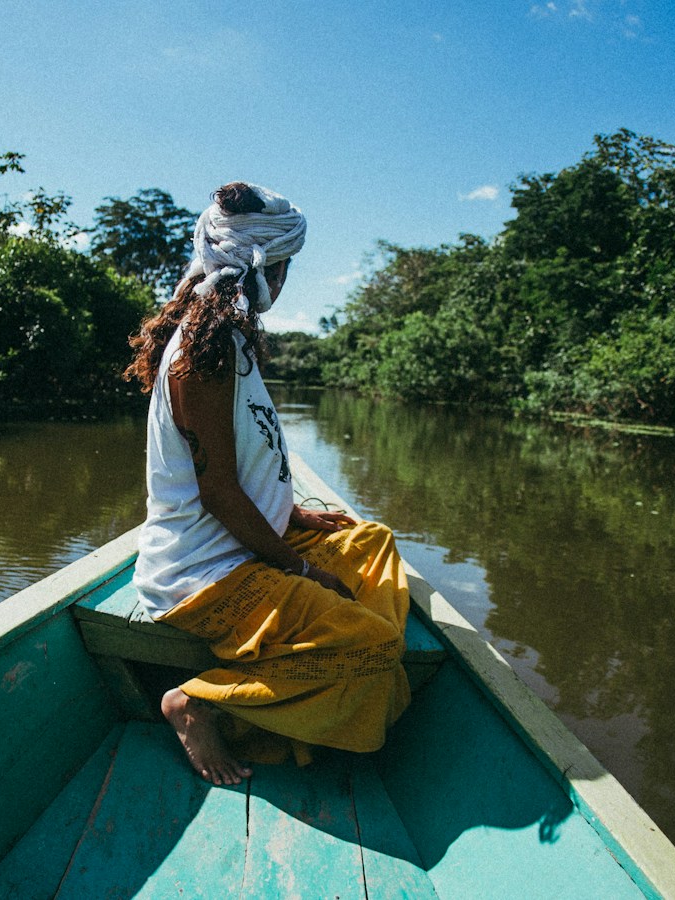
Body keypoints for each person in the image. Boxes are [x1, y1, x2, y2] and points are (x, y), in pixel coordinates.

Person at [123, 181, 413, 785]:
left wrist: (296, 516)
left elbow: (250, 466)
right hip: (201, 576)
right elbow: (219, 494)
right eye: (285, 268)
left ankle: (328, 645)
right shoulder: (202, 354)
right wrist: (302, 571)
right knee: (376, 646)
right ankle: (200, 700)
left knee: (372, 540)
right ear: (267, 270)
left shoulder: (228, 336)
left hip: (247, 544)